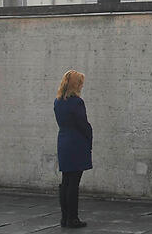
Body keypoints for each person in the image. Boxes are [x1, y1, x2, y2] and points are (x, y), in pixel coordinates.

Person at [54, 70, 93, 229]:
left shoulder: (58, 102)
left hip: (63, 140)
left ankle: (65, 217)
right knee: (74, 182)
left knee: (66, 181)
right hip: (76, 142)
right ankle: (73, 218)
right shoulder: (77, 102)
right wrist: (89, 137)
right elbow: (83, 124)